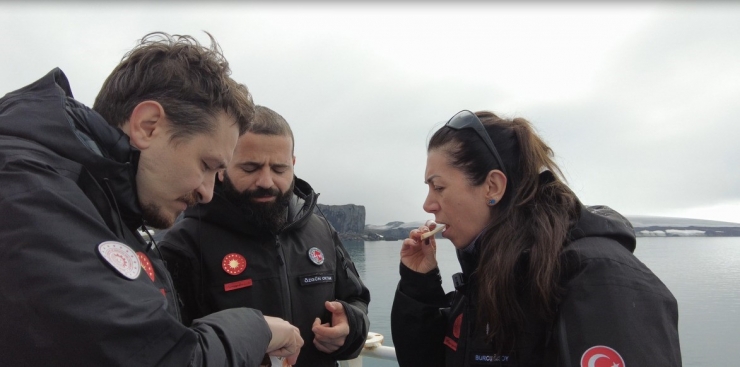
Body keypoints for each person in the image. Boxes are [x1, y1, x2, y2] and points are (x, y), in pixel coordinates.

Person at [0, 32, 303, 366]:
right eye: (205, 165)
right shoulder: (26, 193)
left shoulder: (94, 200)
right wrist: (256, 327)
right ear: (147, 125)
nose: (206, 193)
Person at [391, 110, 681, 366]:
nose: (428, 205)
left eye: (438, 187)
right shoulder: (486, 276)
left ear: (492, 186)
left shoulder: (597, 278)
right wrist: (419, 286)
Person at [158, 106, 371, 367]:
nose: (267, 181)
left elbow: (357, 298)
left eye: (279, 169)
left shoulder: (320, 230)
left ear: (293, 165)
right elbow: (168, 349)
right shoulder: (184, 244)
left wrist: (349, 326)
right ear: (222, 166)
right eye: (250, 168)